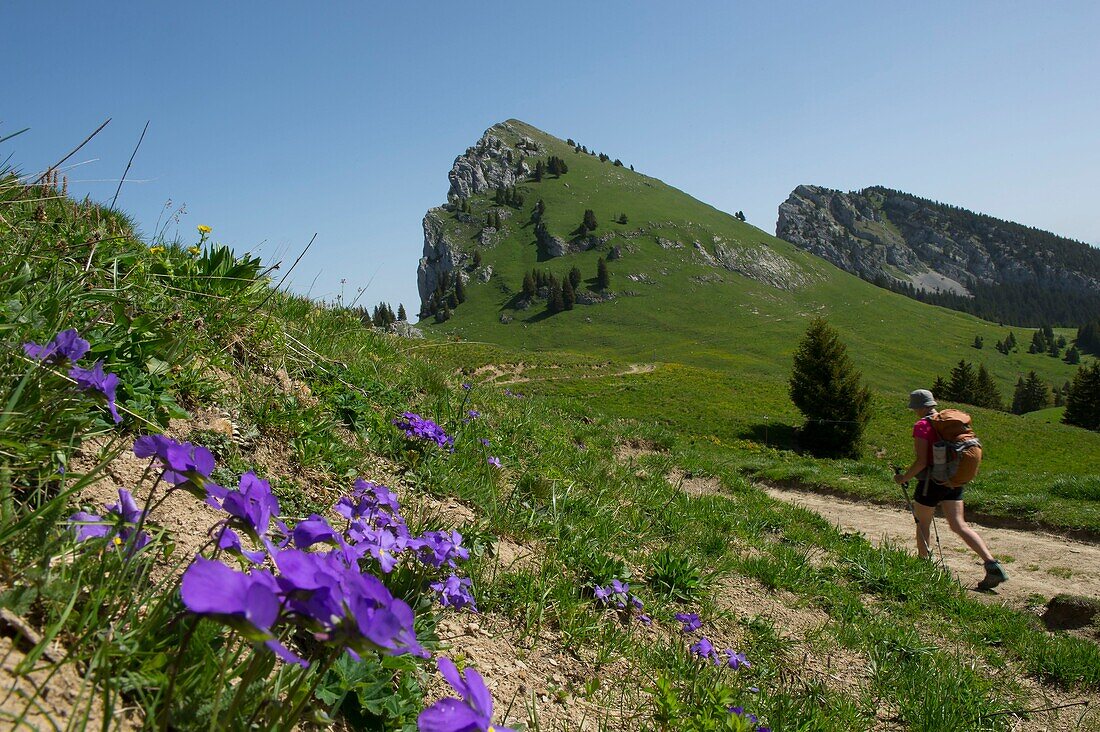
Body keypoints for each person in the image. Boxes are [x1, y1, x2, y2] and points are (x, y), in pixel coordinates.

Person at [894, 389, 1008, 590]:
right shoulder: (948, 423)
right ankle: (992, 564)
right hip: (954, 480)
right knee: (959, 525)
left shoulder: (922, 426)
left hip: (931, 482)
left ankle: (924, 569)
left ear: (918, 407)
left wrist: (904, 477)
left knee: (922, 524)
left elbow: (921, 461)